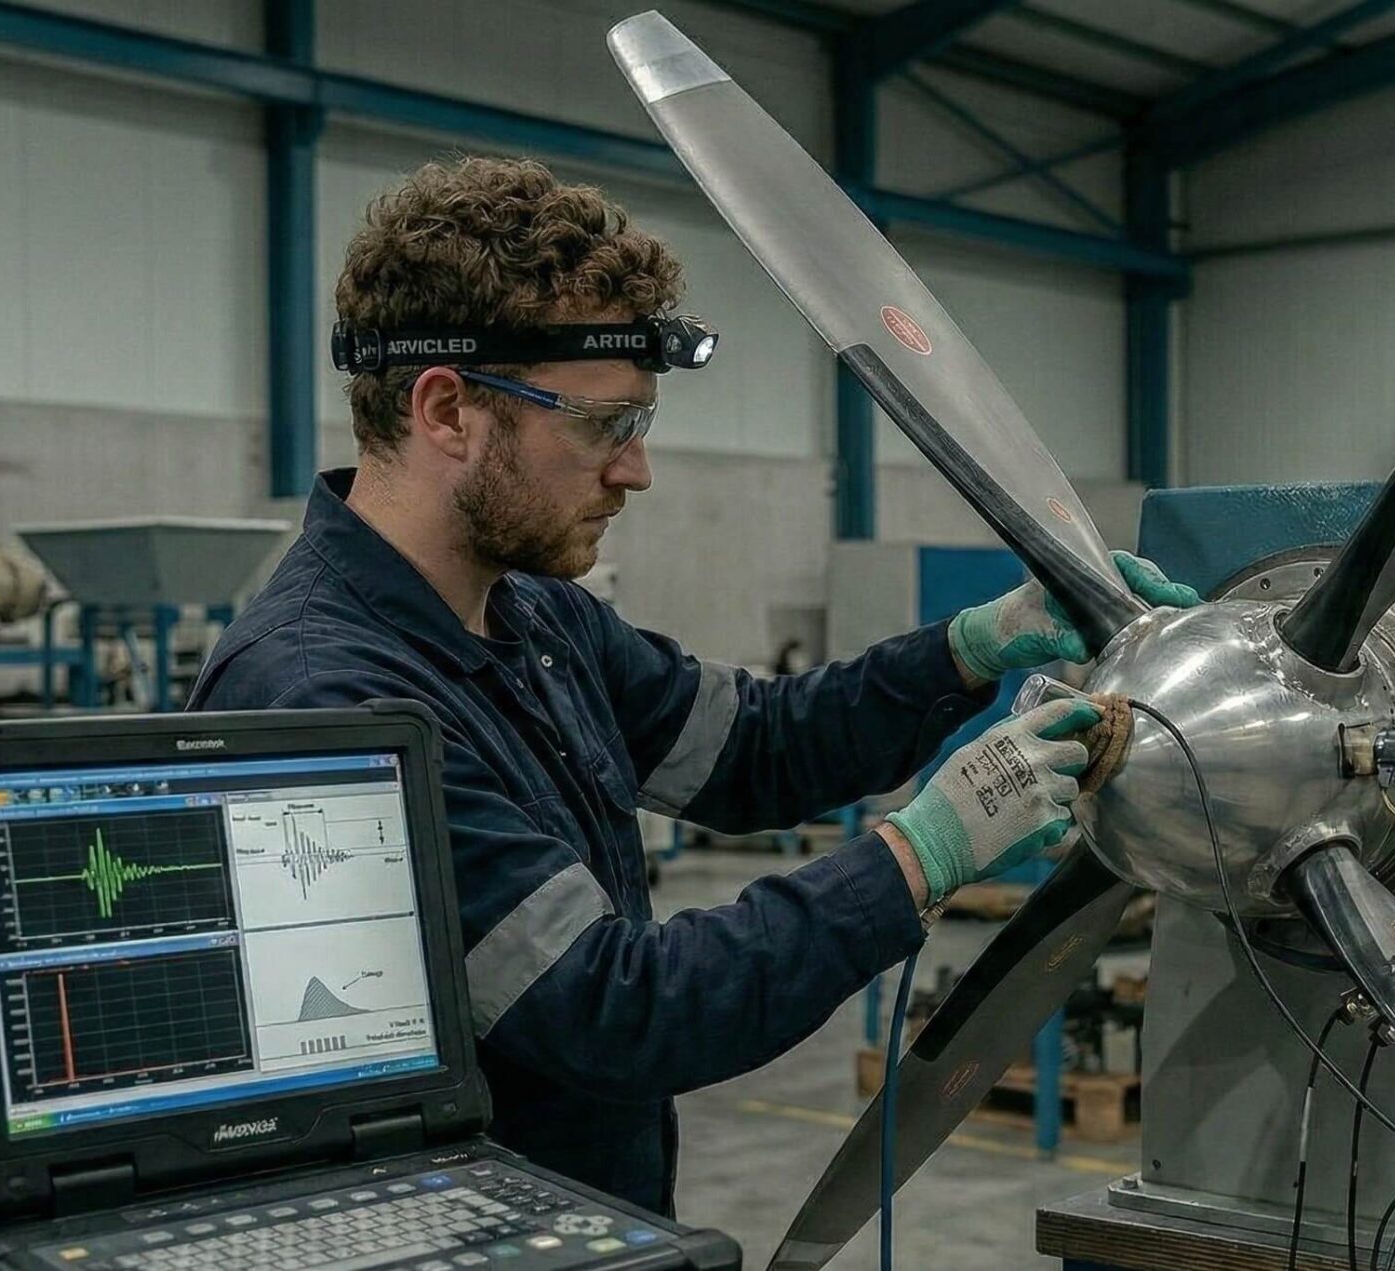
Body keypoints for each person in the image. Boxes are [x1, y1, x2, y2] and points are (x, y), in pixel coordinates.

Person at [188, 156, 1198, 1214]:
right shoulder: (327, 698)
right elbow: (619, 1008)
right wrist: (920, 852)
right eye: (602, 426)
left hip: (588, 1219)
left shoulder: (531, 615)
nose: (635, 470)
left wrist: (968, 648)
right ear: (446, 410)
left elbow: (755, 747)